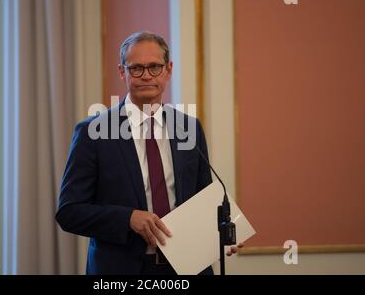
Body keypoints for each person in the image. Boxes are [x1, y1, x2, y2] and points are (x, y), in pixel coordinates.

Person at [56, 31, 239, 275]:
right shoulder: (93, 132)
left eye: (154, 67)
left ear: (168, 70)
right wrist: (128, 218)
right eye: (136, 68)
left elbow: (202, 200)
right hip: (122, 270)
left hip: (188, 267)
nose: (146, 76)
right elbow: (69, 212)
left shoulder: (189, 128)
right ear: (122, 72)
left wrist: (225, 231)